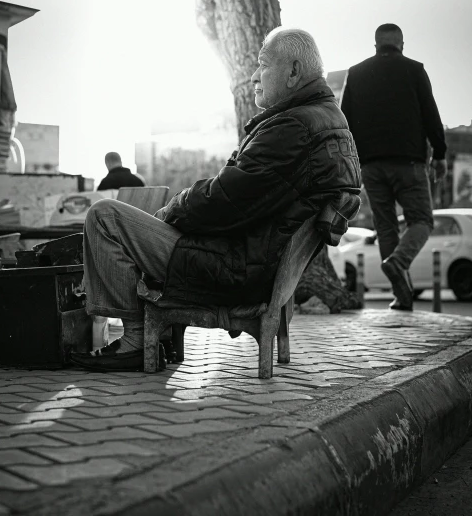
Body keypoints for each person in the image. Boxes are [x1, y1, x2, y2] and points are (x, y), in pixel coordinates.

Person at [70, 27, 361, 372]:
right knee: (133, 219)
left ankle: (134, 340)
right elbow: (241, 194)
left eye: (263, 65)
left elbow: (225, 201)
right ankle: (153, 335)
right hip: (252, 260)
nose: (254, 76)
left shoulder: (295, 127)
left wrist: (172, 208)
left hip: (234, 267)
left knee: (105, 217)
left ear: (294, 72)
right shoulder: (325, 120)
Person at [340, 23, 447, 311]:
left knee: (386, 227)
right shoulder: (414, 70)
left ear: (376, 45)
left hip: (371, 167)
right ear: (401, 43)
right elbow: (430, 113)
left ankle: (402, 296)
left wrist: (351, 163)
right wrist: (440, 154)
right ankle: (398, 263)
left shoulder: (357, 73)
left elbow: (344, 123)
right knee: (422, 220)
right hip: (408, 163)